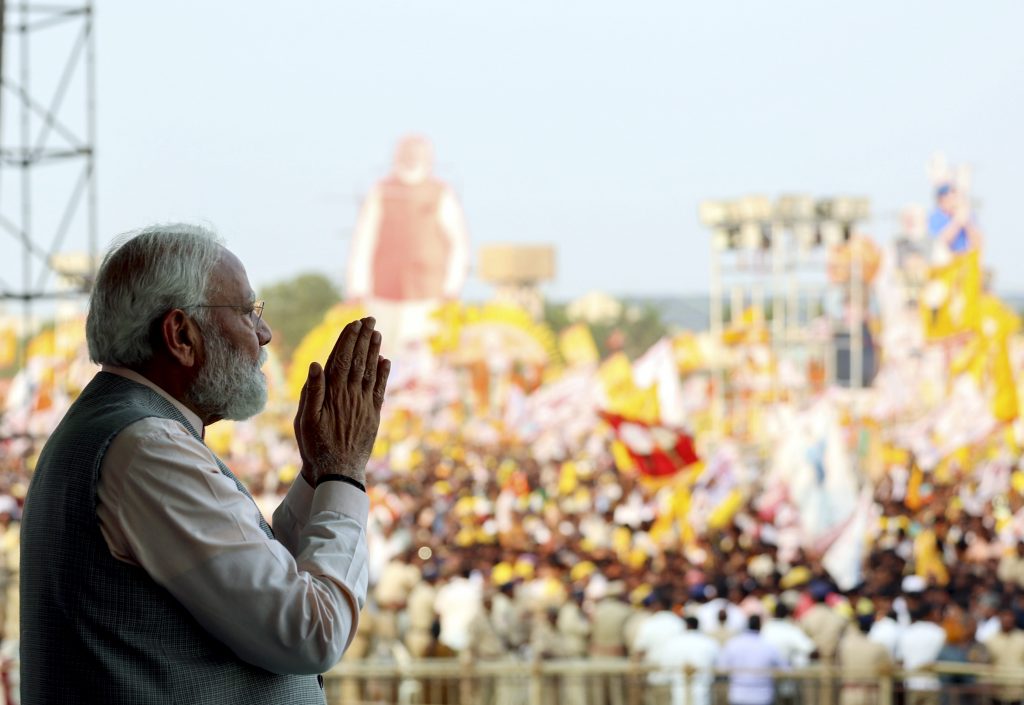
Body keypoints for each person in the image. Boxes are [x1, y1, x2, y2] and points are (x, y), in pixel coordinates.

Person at [19, 224, 390, 704]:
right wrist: (344, 470)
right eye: (247, 313)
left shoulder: (130, 431)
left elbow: (259, 583)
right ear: (181, 335)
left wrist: (320, 473)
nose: (264, 334)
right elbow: (310, 632)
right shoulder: (147, 447)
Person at [717, 615, 788, 705]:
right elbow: (784, 669)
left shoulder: (733, 644)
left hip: (739, 695)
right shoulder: (769, 645)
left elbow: (721, 668)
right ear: (760, 626)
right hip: (762, 697)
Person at [650, 615, 720, 705]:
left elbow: (665, 666)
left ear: (686, 625)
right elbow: (718, 664)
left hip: (679, 693)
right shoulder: (709, 642)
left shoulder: (674, 643)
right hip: (703, 693)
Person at [837, 615, 892, 705]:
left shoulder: (845, 646)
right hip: (871, 694)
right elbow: (889, 666)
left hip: (850, 693)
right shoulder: (879, 647)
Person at [928, 183, 983, 255]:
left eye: (954, 196)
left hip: (966, 257)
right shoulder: (934, 217)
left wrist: (967, 223)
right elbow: (939, 244)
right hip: (946, 259)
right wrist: (957, 222)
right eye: (947, 198)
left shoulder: (968, 214)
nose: (952, 201)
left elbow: (978, 243)